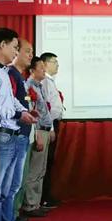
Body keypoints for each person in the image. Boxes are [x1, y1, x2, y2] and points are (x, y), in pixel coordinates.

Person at [0, 28, 37, 221]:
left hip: (14, 133)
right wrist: (19, 114)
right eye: (15, 48)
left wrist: (23, 111)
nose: (16, 52)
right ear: (2, 45)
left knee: (9, 189)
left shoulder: (3, 71)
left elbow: (11, 100)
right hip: (4, 135)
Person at [9, 38, 35, 221]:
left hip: (24, 134)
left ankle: (14, 216)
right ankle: (10, 220)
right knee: (12, 183)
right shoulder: (10, 74)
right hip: (15, 134)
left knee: (19, 181)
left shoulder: (20, 76)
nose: (30, 55)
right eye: (27, 51)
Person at [23, 57, 54, 217]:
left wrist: (51, 128)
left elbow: (45, 110)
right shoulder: (29, 87)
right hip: (38, 130)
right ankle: (30, 205)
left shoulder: (40, 86)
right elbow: (31, 112)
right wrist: (37, 134)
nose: (44, 70)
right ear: (32, 70)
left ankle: (36, 202)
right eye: (41, 67)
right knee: (34, 169)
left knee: (41, 169)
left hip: (45, 129)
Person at [39, 52, 64, 209]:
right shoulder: (45, 82)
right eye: (54, 62)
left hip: (53, 124)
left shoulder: (50, 81)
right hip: (48, 125)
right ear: (45, 64)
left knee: (48, 163)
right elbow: (45, 108)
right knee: (44, 163)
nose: (57, 65)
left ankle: (44, 197)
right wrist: (51, 128)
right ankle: (42, 199)